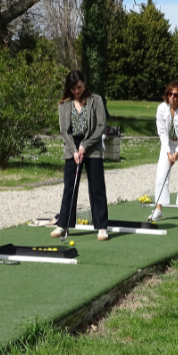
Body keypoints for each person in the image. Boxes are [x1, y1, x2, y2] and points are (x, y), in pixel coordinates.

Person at [51, 70, 109, 241]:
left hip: (92, 145)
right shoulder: (64, 104)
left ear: (84, 83)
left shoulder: (96, 100)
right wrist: (74, 150)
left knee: (97, 187)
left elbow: (101, 126)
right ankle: (63, 224)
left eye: (78, 87)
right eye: (72, 88)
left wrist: (84, 145)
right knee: (70, 187)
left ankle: (102, 227)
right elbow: (64, 131)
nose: (76, 91)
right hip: (72, 147)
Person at [147, 81, 178, 224]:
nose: (172, 97)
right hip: (168, 144)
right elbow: (162, 132)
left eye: (176, 95)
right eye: (170, 94)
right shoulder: (161, 108)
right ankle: (158, 209)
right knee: (161, 175)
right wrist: (169, 152)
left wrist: (177, 153)